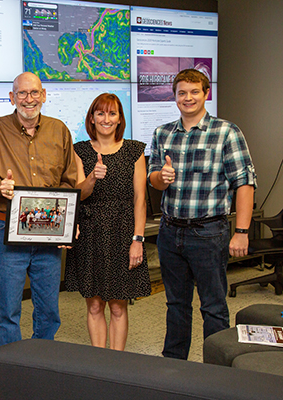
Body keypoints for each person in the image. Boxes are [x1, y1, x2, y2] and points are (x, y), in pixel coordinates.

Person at [148, 69, 257, 360]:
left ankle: (216, 369)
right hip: (170, 232)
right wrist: (163, 176)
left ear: (206, 93)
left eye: (194, 92)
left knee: (213, 306)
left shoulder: (226, 132)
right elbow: (154, 180)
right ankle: (174, 365)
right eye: (182, 93)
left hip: (209, 233)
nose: (188, 98)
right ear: (175, 97)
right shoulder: (163, 133)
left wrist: (242, 231)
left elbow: (244, 183)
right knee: (176, 304)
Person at [0, 72, 77, 347]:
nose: (28, 99)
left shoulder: (59, 130)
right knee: (8, 310)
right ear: (12, 97)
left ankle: (41, 362)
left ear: (43, 95)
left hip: (48, 233)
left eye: (34, 93)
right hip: (6, 229)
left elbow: (68, 180)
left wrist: (65, 221)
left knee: (49, 309)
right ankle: (12, 367)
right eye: (22, 93)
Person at [64, 93, 151, 351]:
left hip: (123, 232)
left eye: (112, 113)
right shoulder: (79, 150)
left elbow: (140, 199)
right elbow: (79, 193)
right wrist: (92, 177)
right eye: (100, 113)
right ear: (92, 118)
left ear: (120, 118)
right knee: (93, 304)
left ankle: (117, 361)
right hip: (90, 232)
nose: (106, 119)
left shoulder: (135, 150)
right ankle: (98, 361)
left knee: (118, 304)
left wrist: (138, 239)